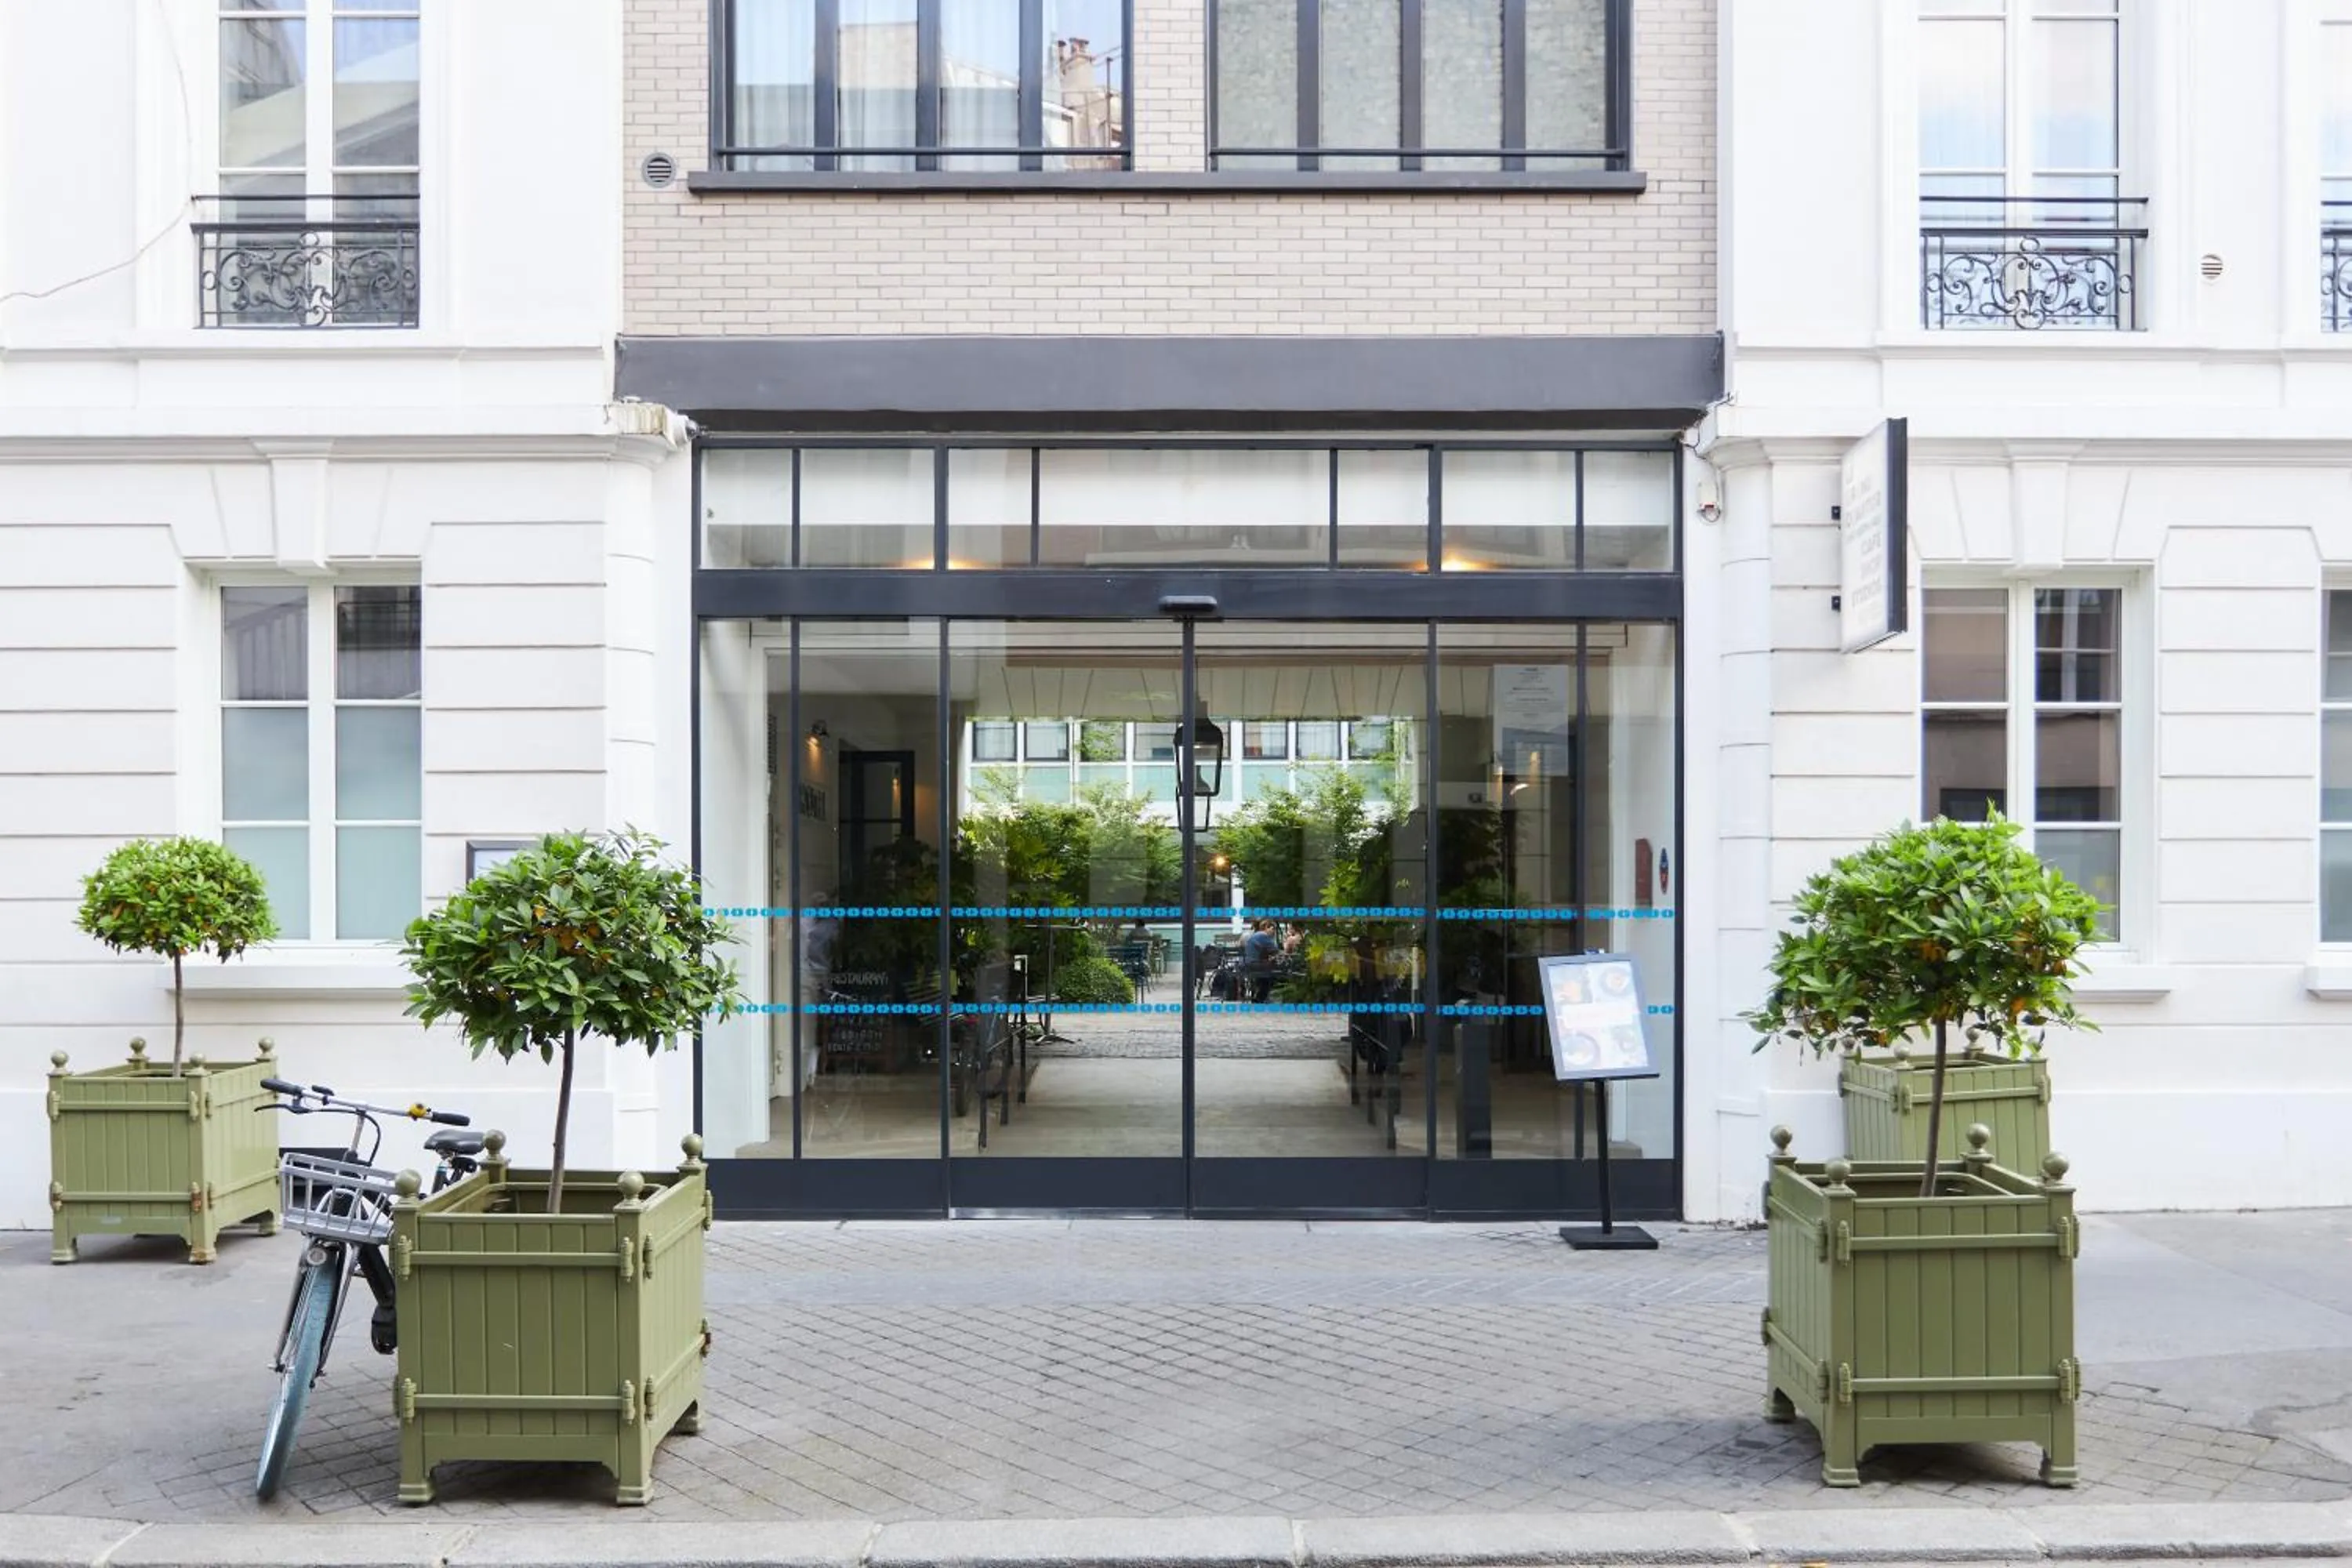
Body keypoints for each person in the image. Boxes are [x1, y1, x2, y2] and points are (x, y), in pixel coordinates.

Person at [1241, 920, 1280, 1002]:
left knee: (1270, 968)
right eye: (1273, 929)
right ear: (1266, 928)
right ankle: (1262, 996)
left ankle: (1261, 996)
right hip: (1254, 964)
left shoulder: (1257, 935)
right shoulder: (1264, 936)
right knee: (1277, 969)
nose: (1274, 932)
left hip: (1248, 963)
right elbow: (1275, 950)